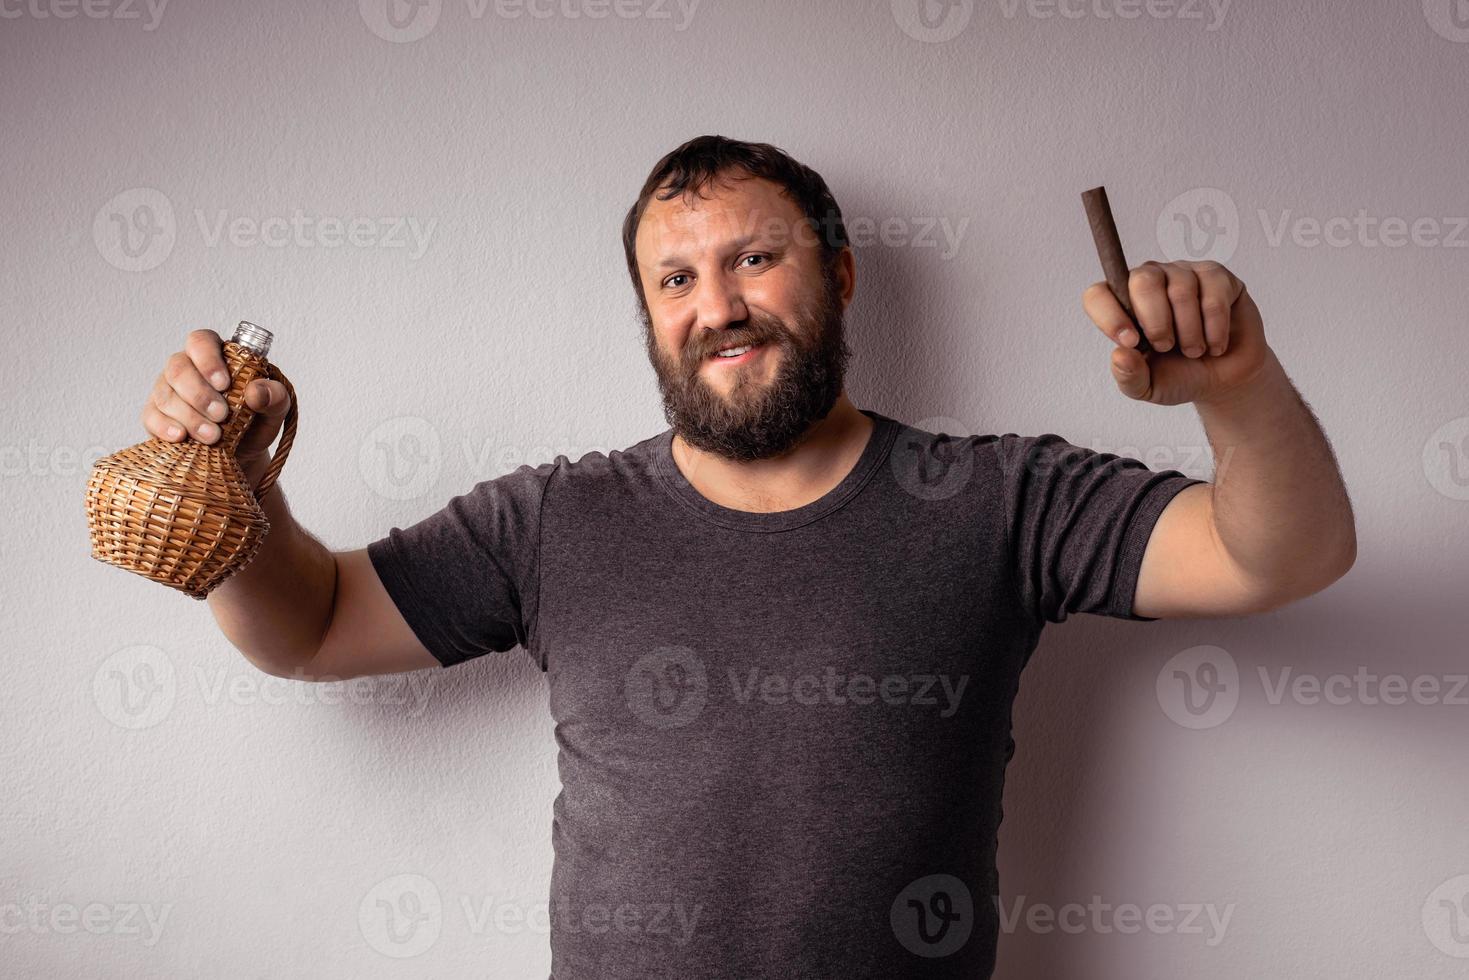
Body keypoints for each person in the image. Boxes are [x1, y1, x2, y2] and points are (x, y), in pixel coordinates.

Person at [139, 135, 1356, 978]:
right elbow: (305, 626)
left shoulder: (997, 497)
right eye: (675, 276)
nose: (714, 301)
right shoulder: (555, 519)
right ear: (650, 316)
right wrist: (241, 494)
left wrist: (1236, 388)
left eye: (753, 259)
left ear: (836, 275)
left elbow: (1275, 557)